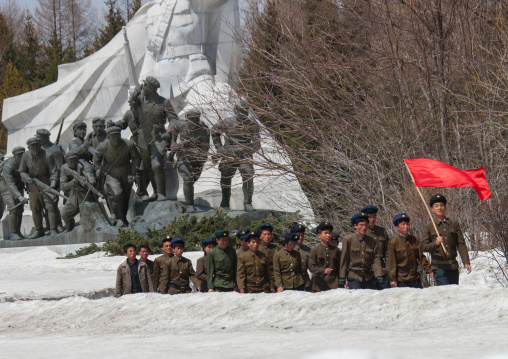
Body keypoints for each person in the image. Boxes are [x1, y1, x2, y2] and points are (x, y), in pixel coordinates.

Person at [110, 76, 177, 201]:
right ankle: (156, 192)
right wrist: (137, 90)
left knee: (156, 165)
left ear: (150, 88)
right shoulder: (140, 100)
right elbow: (132, 103)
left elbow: (173, 119)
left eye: (145, 85)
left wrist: (168, 131)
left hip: (159, 136)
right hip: (143, 137)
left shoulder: (164, 102)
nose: (143, 87)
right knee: (148, 167)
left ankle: (162, 193)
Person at [211, 101, 261, 212]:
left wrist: (246, 149)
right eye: (241, 111)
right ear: (235, 111)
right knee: (225, 176)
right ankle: (225, 201)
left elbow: (257, 143)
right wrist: (219, 148)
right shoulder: (228, 122)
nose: (244, 113)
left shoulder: (252, 125)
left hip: (245, 155)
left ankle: (247, 203)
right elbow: (214, 130)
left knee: (248, 176)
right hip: (229, 154)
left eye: (246, 111)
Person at [93, 126, 140, 227]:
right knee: (117, 194)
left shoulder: (128, 144)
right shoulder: (103, 146)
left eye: (117, 136)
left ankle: (123, 217)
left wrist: (132, 173)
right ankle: (120, 218)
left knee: (126, 196)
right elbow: (96, 158)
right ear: (109, 137)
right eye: (113, 136)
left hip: (126, 172)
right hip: (112, 173)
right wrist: (97, 169)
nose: (115, 138)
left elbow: (136, 158)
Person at [421, 194, 472, 285]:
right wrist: (435, 243)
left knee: (454, 293)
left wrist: (466, 262)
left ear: (445, 207)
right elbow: (423, 247)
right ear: (432, 209)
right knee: (445, 293)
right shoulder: (428, 226)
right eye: (436, 206)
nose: (439, 208)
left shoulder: (453, 224)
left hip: (453, 266)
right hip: (438, 267)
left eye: (441, 205)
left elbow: (461, 243)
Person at [168, 109, 210, 212]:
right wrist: (173, 142)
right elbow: (172, 124)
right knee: (188, 178)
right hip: (183, 157)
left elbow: (204, 151)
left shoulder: (204, 131)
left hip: (197, 159)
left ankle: (188, 198)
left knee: (193, 180)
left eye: (196, 119)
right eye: (191, 120)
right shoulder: (181, 125)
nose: (194, 122)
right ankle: (190, 205)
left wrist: (190, 149)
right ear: (187, 119)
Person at [19, 136, 60, 238]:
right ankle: (39, 230)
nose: (35, 148)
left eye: (37, 145)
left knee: (50, 206)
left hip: (46, 183)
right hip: (33, 186)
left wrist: (52, 185)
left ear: (40, 145)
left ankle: (53, 229)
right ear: (28, 147)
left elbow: (54, 172)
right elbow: (22, 171)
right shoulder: (25, 156)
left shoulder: (48, 155)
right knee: (35, 209)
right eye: (32, 146)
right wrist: (28, 179)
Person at [387, 213, 433, 288]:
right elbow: (392, 263)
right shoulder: (393, 243)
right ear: (397, 227)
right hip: (402, 279)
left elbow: (421, 257)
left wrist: (429, 270)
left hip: (415, 278)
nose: (406, 226)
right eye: (403, 224)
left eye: (407, 224)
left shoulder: (414, 240)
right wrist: (393, 279)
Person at [339, 213, 383, 290]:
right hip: (354, 276)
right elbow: (344, 259)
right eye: (361, 225)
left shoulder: (372, 241)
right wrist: (342, 276)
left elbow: (375, 259)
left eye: (366, 225)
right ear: (355, 226)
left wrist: (378, 274)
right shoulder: (348, 239)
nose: (364, 228)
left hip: (368, 277)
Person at [59, 151, 97, 232]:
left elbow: (91, 178)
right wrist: (72, 182)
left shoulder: (85, 165)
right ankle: (70, 229)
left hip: (86, 196)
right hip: (74, 195)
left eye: (74, 160)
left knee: (86, 219)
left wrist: (89, 180)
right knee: (65, 215)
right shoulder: (64, 168)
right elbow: (63, 186)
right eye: (70, 161)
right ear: (67, 161)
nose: (73, 163)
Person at [0, 146, 28, 240]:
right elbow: (10, 183)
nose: (21, 157)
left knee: (20, 208)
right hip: (5, 187)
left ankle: (18, 232)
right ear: (15, 156)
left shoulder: (24, 162)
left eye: (22, 155)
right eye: (19, 155)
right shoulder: (8, 166)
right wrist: (19, 196)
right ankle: (13, 234)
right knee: (13, 208)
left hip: (18, 186)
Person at [360, 205, 390, 289]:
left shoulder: (381, 231)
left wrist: (388, 269)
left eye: (374, 217)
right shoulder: (362, 232)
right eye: (369, 217)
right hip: (368, 272)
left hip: (382, 270)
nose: (372, 219)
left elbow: (387, 252)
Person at [308, 221, 341, 292]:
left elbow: (339, 267)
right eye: (325, 233)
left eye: (329, 233)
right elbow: (312, 267)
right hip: (319, 283)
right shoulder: (314, 250)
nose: (328, 235)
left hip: (333, 283)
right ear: (319, 235)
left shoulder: (336, 250)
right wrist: (323, 271)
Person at [257, 223, 278, 292]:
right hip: (263, 282)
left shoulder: (276, 248)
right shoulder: (257, 249)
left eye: (269, 234)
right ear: (260, 236)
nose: (267, 236)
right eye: (264, 234)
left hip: (276, 280)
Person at [290, 223, 311, 291]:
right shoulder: (290, 249)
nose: (300, 237)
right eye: (298, 236)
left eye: (302, 235)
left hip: (306, 280)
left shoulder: (307, 249)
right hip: (293, 281)